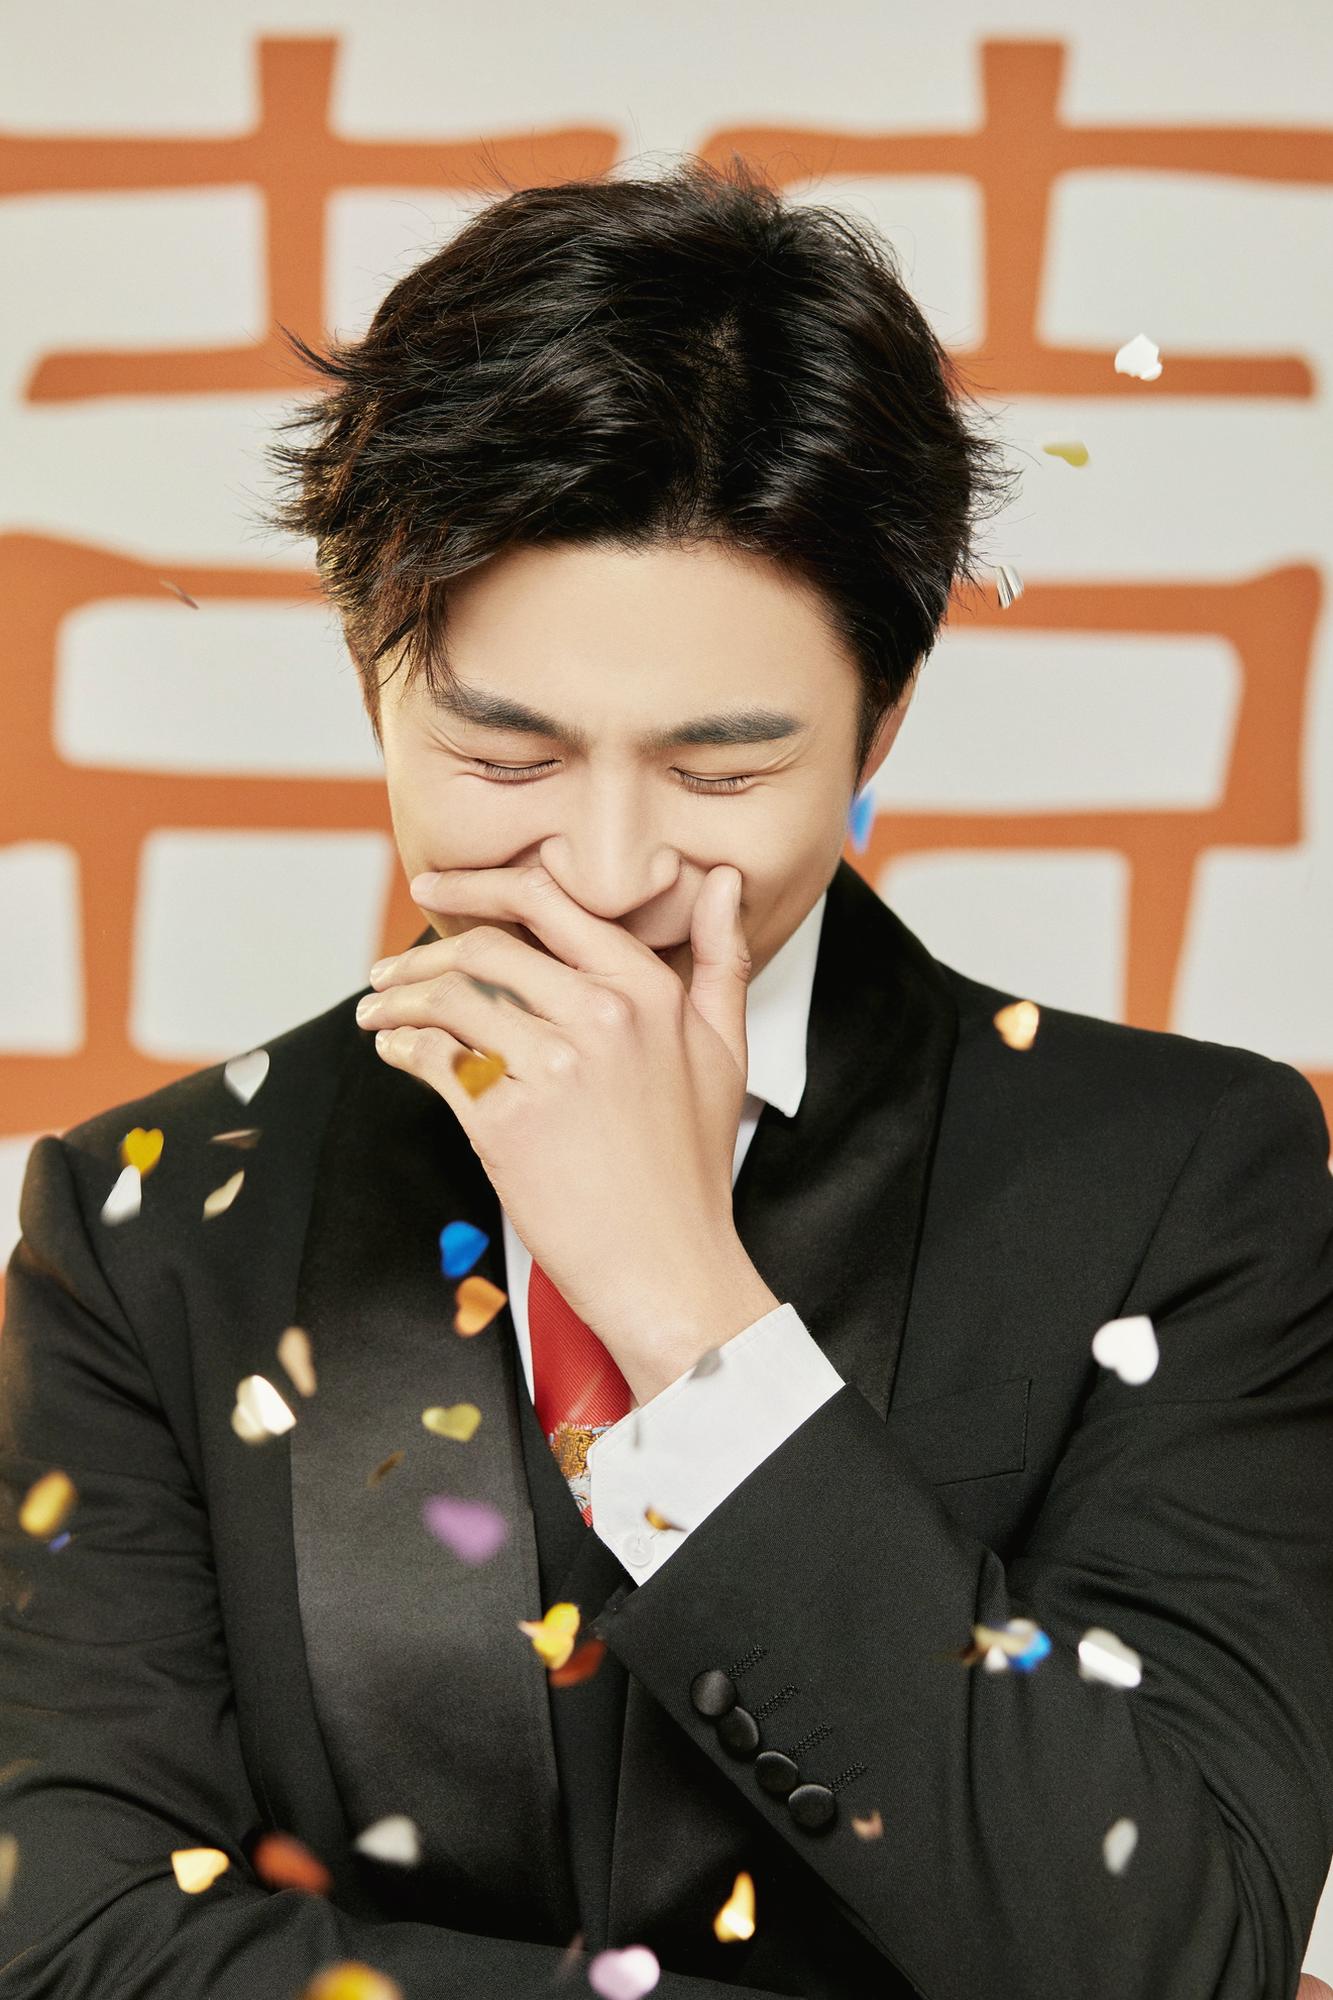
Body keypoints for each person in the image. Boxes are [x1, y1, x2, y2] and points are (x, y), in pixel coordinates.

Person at [2, 153, 1331, 2000]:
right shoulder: (149, 1219)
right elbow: (74, 1945)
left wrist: (684, 1307)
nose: (609, 867)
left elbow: (1176, 1950)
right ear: (372, 678)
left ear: (880, 724)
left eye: (719, 773)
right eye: (503, 756)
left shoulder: (1183, 1180)